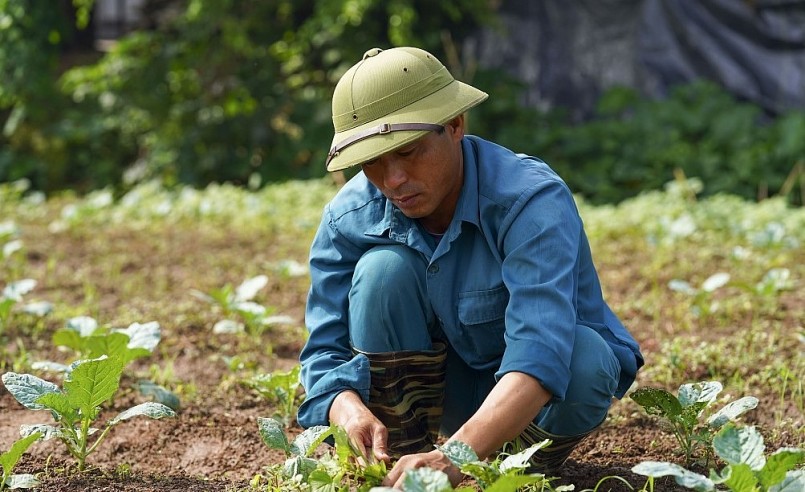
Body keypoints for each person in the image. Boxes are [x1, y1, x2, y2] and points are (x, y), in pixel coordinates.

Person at [297, 46, 643, 488]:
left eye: (409, 151)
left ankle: (511, 474)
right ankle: (402, 465)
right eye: (372, 163)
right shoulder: (349, 218)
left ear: (455, 125)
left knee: (587, 360)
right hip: (445, 392)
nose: (393, 180)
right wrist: (348, 409)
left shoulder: (530, 201)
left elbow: (541, 354)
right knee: (382, 272)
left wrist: (456, 456)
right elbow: (323, 352)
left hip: (536, 398)